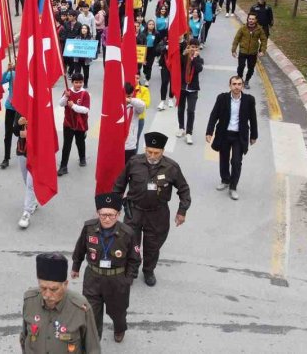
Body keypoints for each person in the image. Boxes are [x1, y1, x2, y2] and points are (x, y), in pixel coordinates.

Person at [114, 132, 191, 287]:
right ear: (145, 148)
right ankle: (132, 270)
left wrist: (182, 211)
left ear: (162, 151)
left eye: (156, 153)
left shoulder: (171, 167)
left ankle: (148, 271)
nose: (152, 155)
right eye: (149, 152)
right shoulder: (134, 162)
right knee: (130, 243)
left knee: (153, 245)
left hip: (158, 213)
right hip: (134, 211)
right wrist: (115, 206)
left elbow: (184, 190)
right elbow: (119, 185)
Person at [71, 193, 141, 343]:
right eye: (103, 215)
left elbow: (135, 259)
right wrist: (76, 266)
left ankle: (120, 328)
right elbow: (80, 248)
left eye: (111, 215)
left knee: (118, 313)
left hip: (117, 281)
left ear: (118, 214)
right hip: (93, 279)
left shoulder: (127, 233)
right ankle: (94, 345)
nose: (107, 219)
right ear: (97, 213)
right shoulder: (89, 228)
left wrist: (128, 279)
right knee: (91, 314)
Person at [22, 253, 101, 353]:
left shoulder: (80, 308)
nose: (47, 295)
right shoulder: (29, 300)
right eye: (43, 288)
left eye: (54, 289)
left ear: (65, 284)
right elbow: (24, 338)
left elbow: (93, 348)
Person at [206, 76, 259, 200]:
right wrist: (209, 132)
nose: (236, 86)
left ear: (242, 86)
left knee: (236, 161)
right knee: (223, 159)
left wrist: (254, 135)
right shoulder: (222, 98)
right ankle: (225, 180)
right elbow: (214, 115)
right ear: (230, 85)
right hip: (224, 134)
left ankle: (233, 187)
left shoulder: (249, 100)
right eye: (234, 84)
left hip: (239, 136)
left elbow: (253, 118)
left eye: (239, 84)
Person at [58, 74, 90, 175]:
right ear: (72, 82)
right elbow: (61, 104)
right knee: (66, 145)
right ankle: (63, 166)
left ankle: (82, 157)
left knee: (80, 142)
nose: (78, 84)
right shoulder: (68, 92)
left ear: (83, 82)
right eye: (76, 82)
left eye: (80, 82)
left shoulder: (85, 94)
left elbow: (85, 110)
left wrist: (73, 106)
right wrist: (65, 97)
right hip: (68, 123)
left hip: (80, 124)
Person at [13, 113, 39, 228]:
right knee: (26, 180)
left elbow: (47, 132)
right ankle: (33, 200)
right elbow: (14, 131)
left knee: (30, 183)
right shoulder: (19, 110)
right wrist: (19, 126)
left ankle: (26, 213)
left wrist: (31, 134)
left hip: (36, 153)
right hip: (22, 151)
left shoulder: (40, 109)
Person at [177, 39, 204, 145]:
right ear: (189, 47)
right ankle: (181, 128)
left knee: (191, 110)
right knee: (180, 109)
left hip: (193, 89)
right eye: (192, 47)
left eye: (196, 47)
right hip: (182, 87)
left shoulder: (199, 59)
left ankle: (189, 133)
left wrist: (194, 58)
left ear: (198, 49)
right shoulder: (184, 57)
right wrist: (183, 54)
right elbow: (177, 66)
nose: (193, 49)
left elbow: (198, 69)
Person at [231, 13, 267, 89]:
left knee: (251, 68)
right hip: (243, 51)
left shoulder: (259, 29)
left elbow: (264, 40)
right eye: (249, 19)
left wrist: (262, 51)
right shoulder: (243, 28)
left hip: (253, 53)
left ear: (256, 20)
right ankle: (240, 79)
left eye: (253, 19)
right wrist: (233, 50)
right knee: (241, 66)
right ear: (247, 19)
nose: (251, 20)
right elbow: (236, 39)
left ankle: (247, 81)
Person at [124, 83, 147, 163]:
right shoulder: (116, 104)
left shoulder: (134, 105)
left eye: (129, 96)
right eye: (125, 96)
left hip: (129, 144)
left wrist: (130, 100)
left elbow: (142, 106)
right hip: (117, 143)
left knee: (129, 167)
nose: (126, 99)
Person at [0, 64, 17, 170]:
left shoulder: (29, 73)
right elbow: (1, 82)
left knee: (22, 133)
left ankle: (25, 154)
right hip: (10, 107)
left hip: (22, 108)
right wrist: (7, 71)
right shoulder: (12, 73)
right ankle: (6, 158)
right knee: (8, 133)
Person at [134, 73, 151, 148]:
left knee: (135, 141)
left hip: (139, 119)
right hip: (127, 119)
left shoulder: (144, 90)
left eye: (137, 78)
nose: (136, 80)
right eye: (134, 78)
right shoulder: (124, 88)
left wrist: (131, 101)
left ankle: (133, 159)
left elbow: (146, 104)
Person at [139, 20, 158, 85]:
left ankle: (147, 79)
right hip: (144, 50)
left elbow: (158, 43)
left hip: (152, 51)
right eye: (150, 24)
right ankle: (145, 72)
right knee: (144, 65)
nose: (151, 25)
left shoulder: (156, 33)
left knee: (149, 65)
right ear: (147, 25)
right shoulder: (143, 33)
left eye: (152, 24)